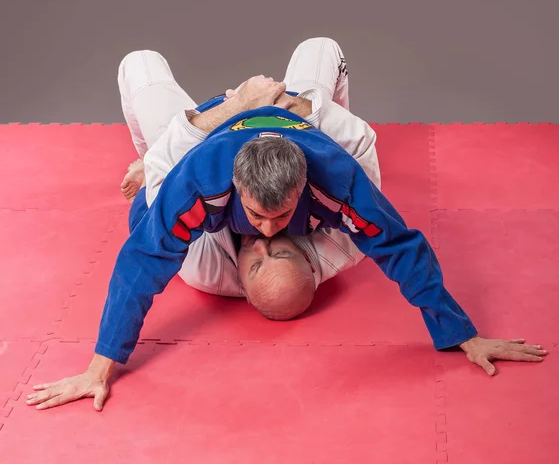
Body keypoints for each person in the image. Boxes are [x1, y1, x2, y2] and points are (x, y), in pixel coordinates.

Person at [27, 38, 547, 412]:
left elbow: (399, 246)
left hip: (293, 124)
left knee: (314, 47)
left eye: (281, 216)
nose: (271, 231)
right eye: (256, 214)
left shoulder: (335, 176)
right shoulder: (202, 178)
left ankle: (166, 156)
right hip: (203, 133)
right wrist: (102, 366)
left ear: (303, 187)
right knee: (139, 64)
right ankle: (156, 156)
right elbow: (142, 261)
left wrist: (462, 334)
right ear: (235, 189)